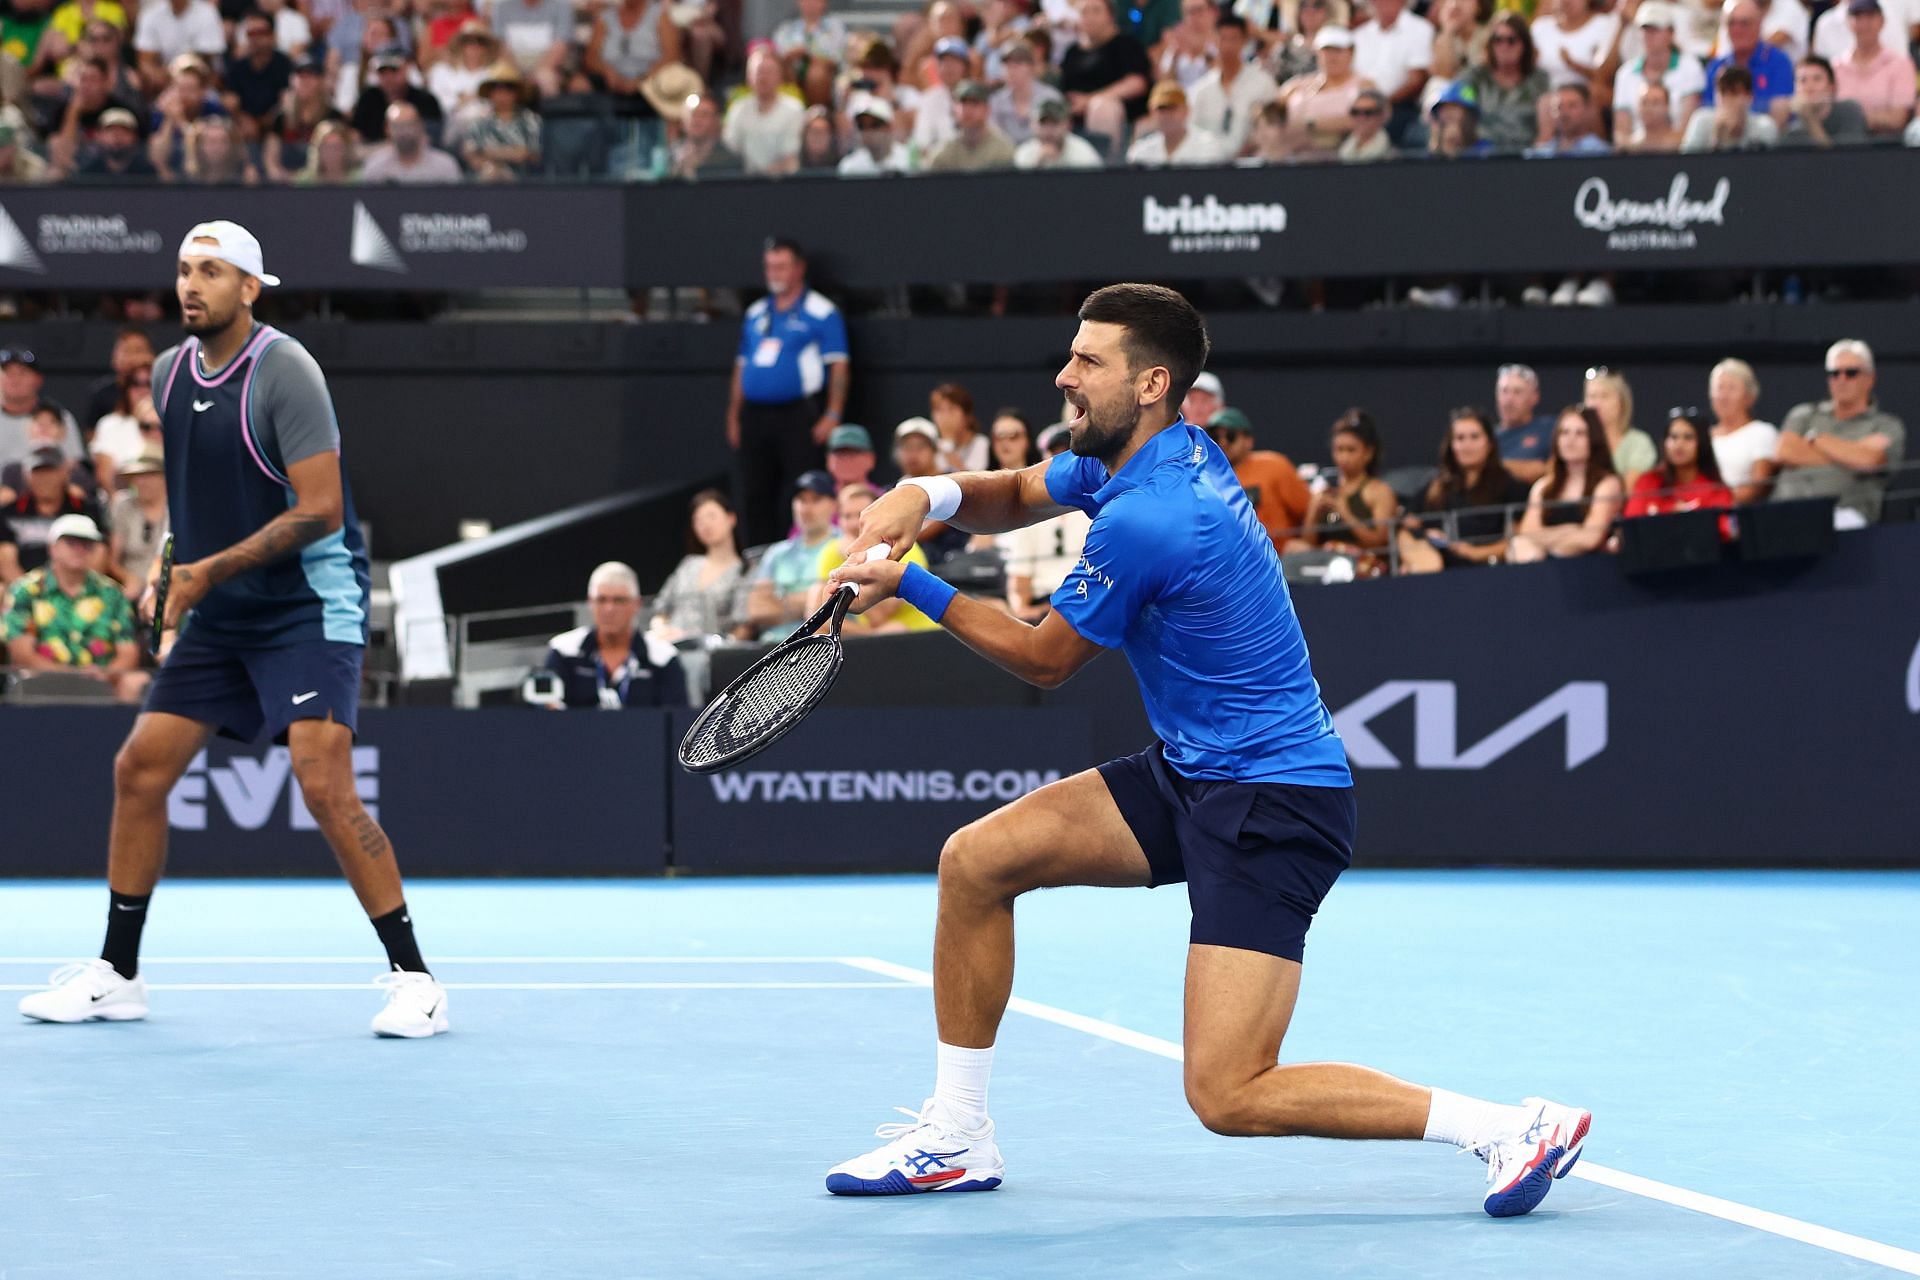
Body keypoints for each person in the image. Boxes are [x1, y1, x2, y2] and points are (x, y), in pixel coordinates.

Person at [822, 283, 1590, 1215]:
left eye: (1087, 362)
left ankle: (1511, 1128)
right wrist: (921, 492)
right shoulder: (1144, 456)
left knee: (1228, 1093)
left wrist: (912, 584)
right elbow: (1020, 491)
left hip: (1273, 802)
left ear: (1150, 384)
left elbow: (1043, 659)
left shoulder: (1157, 516)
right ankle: (957, 1135)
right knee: (977, 864)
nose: (1063, 375)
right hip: (1195, 772)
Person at [15, 221, 448, 1038]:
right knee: (139, 769)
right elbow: (191, 495)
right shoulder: (171, 373)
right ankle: (119, 973)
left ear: (250, 288)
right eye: (184, 270)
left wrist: (203, 576)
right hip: (221, 612)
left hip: (306, 609)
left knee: (323, 786)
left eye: (210, 272)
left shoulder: (287, 372)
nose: (191, 285)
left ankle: (415, 978)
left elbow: (320, 511)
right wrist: (163, 566)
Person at [727, 239, 851, 549]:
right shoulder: (756, 312)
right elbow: (741, 365)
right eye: (769, 266)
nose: (774, 273)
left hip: (798, 413)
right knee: (754, 490)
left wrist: (833, 413)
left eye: (781, 266)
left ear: (799, 268)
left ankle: (801, 552)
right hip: (755, 413)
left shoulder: (821, 311)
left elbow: (839, 364)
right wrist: (733, 415)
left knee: (797, 489)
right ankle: (758, 558)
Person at [1756, 339, 1906, 525]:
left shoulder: (1886, 425)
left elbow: (1871, 460)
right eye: (1834, 373)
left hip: (1844, 515)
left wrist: (1816, 440)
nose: (1841, 380)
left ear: (1870, 379)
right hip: (1785, 510)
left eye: (1851, 373)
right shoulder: (1804, 413)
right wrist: (1851, 452)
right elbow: (1784, 451)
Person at [2, 513, 148, 702]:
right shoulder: (25, 590)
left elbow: (128, 652)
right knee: (26, 677)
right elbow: (21, 654)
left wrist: (105, 673)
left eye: (87, 544)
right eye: (71, 543)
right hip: (41, 679)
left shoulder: (112, 594)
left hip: (101, 680)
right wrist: (69, 675)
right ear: (52, 548)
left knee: (135, 681)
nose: (80, 549)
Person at [1397, 408, 1530, 572]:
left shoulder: (1508, 484)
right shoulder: (1437, 485)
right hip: (1438, 572)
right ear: (1451, 445)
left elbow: (1516, 539)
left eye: (1474, 437)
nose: (1467, 445)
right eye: (1460, 438)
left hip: (1489, 570)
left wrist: (1474, 553)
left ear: (1489, 443)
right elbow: (1408, 522)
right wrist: (1426, 536)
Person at [538, 560, 688, 706]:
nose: (609, 609)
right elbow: (547, 716)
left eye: (619, 601)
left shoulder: (663, 658)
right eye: (601, 600)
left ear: (636, 604)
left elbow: (677, 722)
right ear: (590, 603)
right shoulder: (563, 651)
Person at [809, 481, 941, 633]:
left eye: (859, 515)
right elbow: (817, 617)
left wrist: (855, 560)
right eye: (846, 516)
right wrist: (871, 635)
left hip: (919, 636)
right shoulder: (833, 550)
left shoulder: (903, 547)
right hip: (876, 639)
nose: (853, 524)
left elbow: (879, 615)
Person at [1508, 405, 1624, 562]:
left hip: (1591, 567)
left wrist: (1549, 541)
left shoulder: (1607, 484)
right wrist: (1570, 530)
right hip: (1543, 566)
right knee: (1519, 546)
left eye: (1580, 433)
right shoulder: (1543, 487)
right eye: (1564, 433)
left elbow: (1590, 538)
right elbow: (1528, 532)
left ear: (1593, 439)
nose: (1570, 440)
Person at [1286, 409, 1397, 564]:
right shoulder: (1325, 490)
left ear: (1368, 452)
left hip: (1364, 565)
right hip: (1327, 564)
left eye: (1351, 450)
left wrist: (1345, 513)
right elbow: (1308, 544)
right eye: (1339, 450)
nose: (1344, 457)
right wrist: (1313, 512)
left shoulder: (1379, 491)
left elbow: (1379, 542)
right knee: (1294, 547)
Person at [742, 469, 840, 641]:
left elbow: (839, 604)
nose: (806, 508)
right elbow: (756, 609)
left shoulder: (843, 546)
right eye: (801, 500)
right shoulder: (777, 553)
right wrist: (809, 602)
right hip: (774, 647)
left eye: (816, 500)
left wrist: (780, 603)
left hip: (823, 645)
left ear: (833, 505)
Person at [648, 488, 746, 644]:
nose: (705, 525)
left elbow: (743, 627)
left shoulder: (744, 571)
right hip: (671, 646)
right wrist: (660, 630)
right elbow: (661, 610)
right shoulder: (688, 565)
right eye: (698, 520)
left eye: (711, 516)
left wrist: (723, 647)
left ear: (731, 518)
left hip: (714, 652)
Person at [1205, 406, 1311, 548]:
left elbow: (1308, 510)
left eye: (1230, 436)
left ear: (1248, 440)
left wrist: (1306, 543)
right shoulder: (1202, 476)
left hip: (1280, 557)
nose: (1223, 442)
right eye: (1215, 437)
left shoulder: (1274, 466)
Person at [1187, 14, 1275, 155]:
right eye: (1222, 39)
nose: (1227, 46)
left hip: (1252, 165)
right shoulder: (1201, 90)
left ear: (1244, 41)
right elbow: (1192, 131)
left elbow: (1272, 129)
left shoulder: (1263, 83)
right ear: (1214, 41)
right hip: (1208, 167)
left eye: (1234, 39)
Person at [1464, 11, 1547, 153]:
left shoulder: (1538, 79)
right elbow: (1458, 102)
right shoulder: (1476, 77)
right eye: (1498, 40)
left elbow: (1547, 126)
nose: (1504, 46)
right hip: (1482, 152)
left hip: (1527, 152)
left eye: (1511, 40)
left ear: (1524, 44)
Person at [1624, 410, 1734, 518]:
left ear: (1702, 444)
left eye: (1688, 437)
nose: (1679, 444)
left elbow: (1726, 532)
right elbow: (1631, 527)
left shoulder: (1716, 490)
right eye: (1673, 437)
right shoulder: (1648, 482)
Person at [1831, 0, 1916, 136]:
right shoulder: (1836, 66)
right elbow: (1828, 115)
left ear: (1882, 21)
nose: (1864, 24)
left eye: (1870, 17)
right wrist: (1877, 115)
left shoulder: (1900, 64)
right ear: (1848, 22)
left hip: (1886, 146)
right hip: (1843, 145)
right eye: (1858, 17)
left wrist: (1850, 117)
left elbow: (1898, 119)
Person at [1706, 357, 1779, 503]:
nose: (1724, 396)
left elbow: (1757, 487)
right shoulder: (1701, 436)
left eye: (1732, 388)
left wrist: (1711, 501)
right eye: (1719, 388)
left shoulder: (1762, 432)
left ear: (1750, 396)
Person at [105, 448, 168, 593]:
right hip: (133, 583)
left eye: (149, 475)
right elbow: (113, 561)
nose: (142, 482)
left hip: (169, 582)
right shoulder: (123, 505)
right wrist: (129, 578)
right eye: (136, 476)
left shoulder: (176, 508)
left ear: (164, 477)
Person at [1583, 367, 1657, 485]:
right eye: (1591, 396)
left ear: (1621, 402)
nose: (1596, 404)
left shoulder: (1639, 443)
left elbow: (1628, 489)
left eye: (1604, 396)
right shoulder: (1578, 440)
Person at [1126, 79, 1227, 163]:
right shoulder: (1141, 153)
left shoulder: (1208, 147)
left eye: (1171, 108)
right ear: (1151, 112)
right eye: (1161, 109)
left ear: (1186, 110)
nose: (1166, 115)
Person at [926, 79, 1018, 170]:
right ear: (954, 109)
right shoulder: (944, 153)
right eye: (963, 103)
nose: (968, 110)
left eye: (974, 104)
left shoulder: (1002, 149)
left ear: (987, 109)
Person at [1681, 64, 1780, 149]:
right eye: (1723, 92)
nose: (1727, 99)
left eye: (1734, 93)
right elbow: (1687, 164)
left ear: (1749, 96)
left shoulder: (1764, 126)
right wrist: (1717, 137)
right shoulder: (1701, 120)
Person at [1780, 53, 1870, 145]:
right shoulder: (1793, 131)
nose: (1809, 87)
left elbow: (1845, 157)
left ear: (1831, 87)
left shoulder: (1850, 111)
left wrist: (1810, 118)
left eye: (1817, 79)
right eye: (1803, 80)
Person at [360, 101, 462, 182]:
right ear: (387, 129)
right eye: (397, 127)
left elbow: (456, 203)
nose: (403, 132)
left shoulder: (444, 166)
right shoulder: (375, 166)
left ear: (420, 125)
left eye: (409, 125)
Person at [1493, 363, 1555, 484]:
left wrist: (1492, 465)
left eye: (1517, 392)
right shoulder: (1486, 437)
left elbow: (1552, 469)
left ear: (1534, 397)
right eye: (1504, 391)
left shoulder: (1550, 429)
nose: (1509, 399)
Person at [1013, 95, 1106, 167]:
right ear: (1033, 125)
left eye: (1054, 123)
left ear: (1067, 125)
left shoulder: (1082, 152)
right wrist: (1038, 164)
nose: (1048, 130)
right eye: (1043, 124)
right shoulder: (1025, 153)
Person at [930, 382, 988, 472]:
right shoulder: (931, 447)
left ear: (966, 415)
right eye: (938, 409)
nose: (945, 417)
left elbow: (970, 480)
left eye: (951, 409)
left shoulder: (981, 444)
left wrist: (947, 445)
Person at [825, 423, 878, 489]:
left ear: (871, 458)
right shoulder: (815, 496)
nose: (846, 460)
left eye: (853, 453)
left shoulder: (886, 498)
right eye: (840, 453)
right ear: (828, 459)